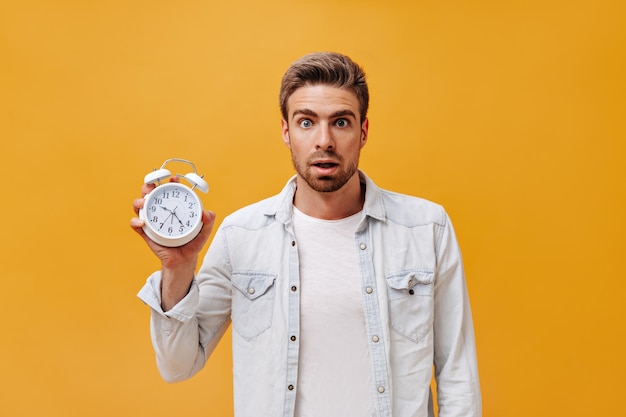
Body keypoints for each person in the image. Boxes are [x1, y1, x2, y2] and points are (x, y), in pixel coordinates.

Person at [131, 51, 482, 417]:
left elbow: (457, 375)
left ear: (363, 131)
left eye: (341, 122)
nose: (324, 141)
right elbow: (177, 365)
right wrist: (178, 266)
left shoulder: (426, 229)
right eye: (306, 122)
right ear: (286, 131)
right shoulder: (241, 236)